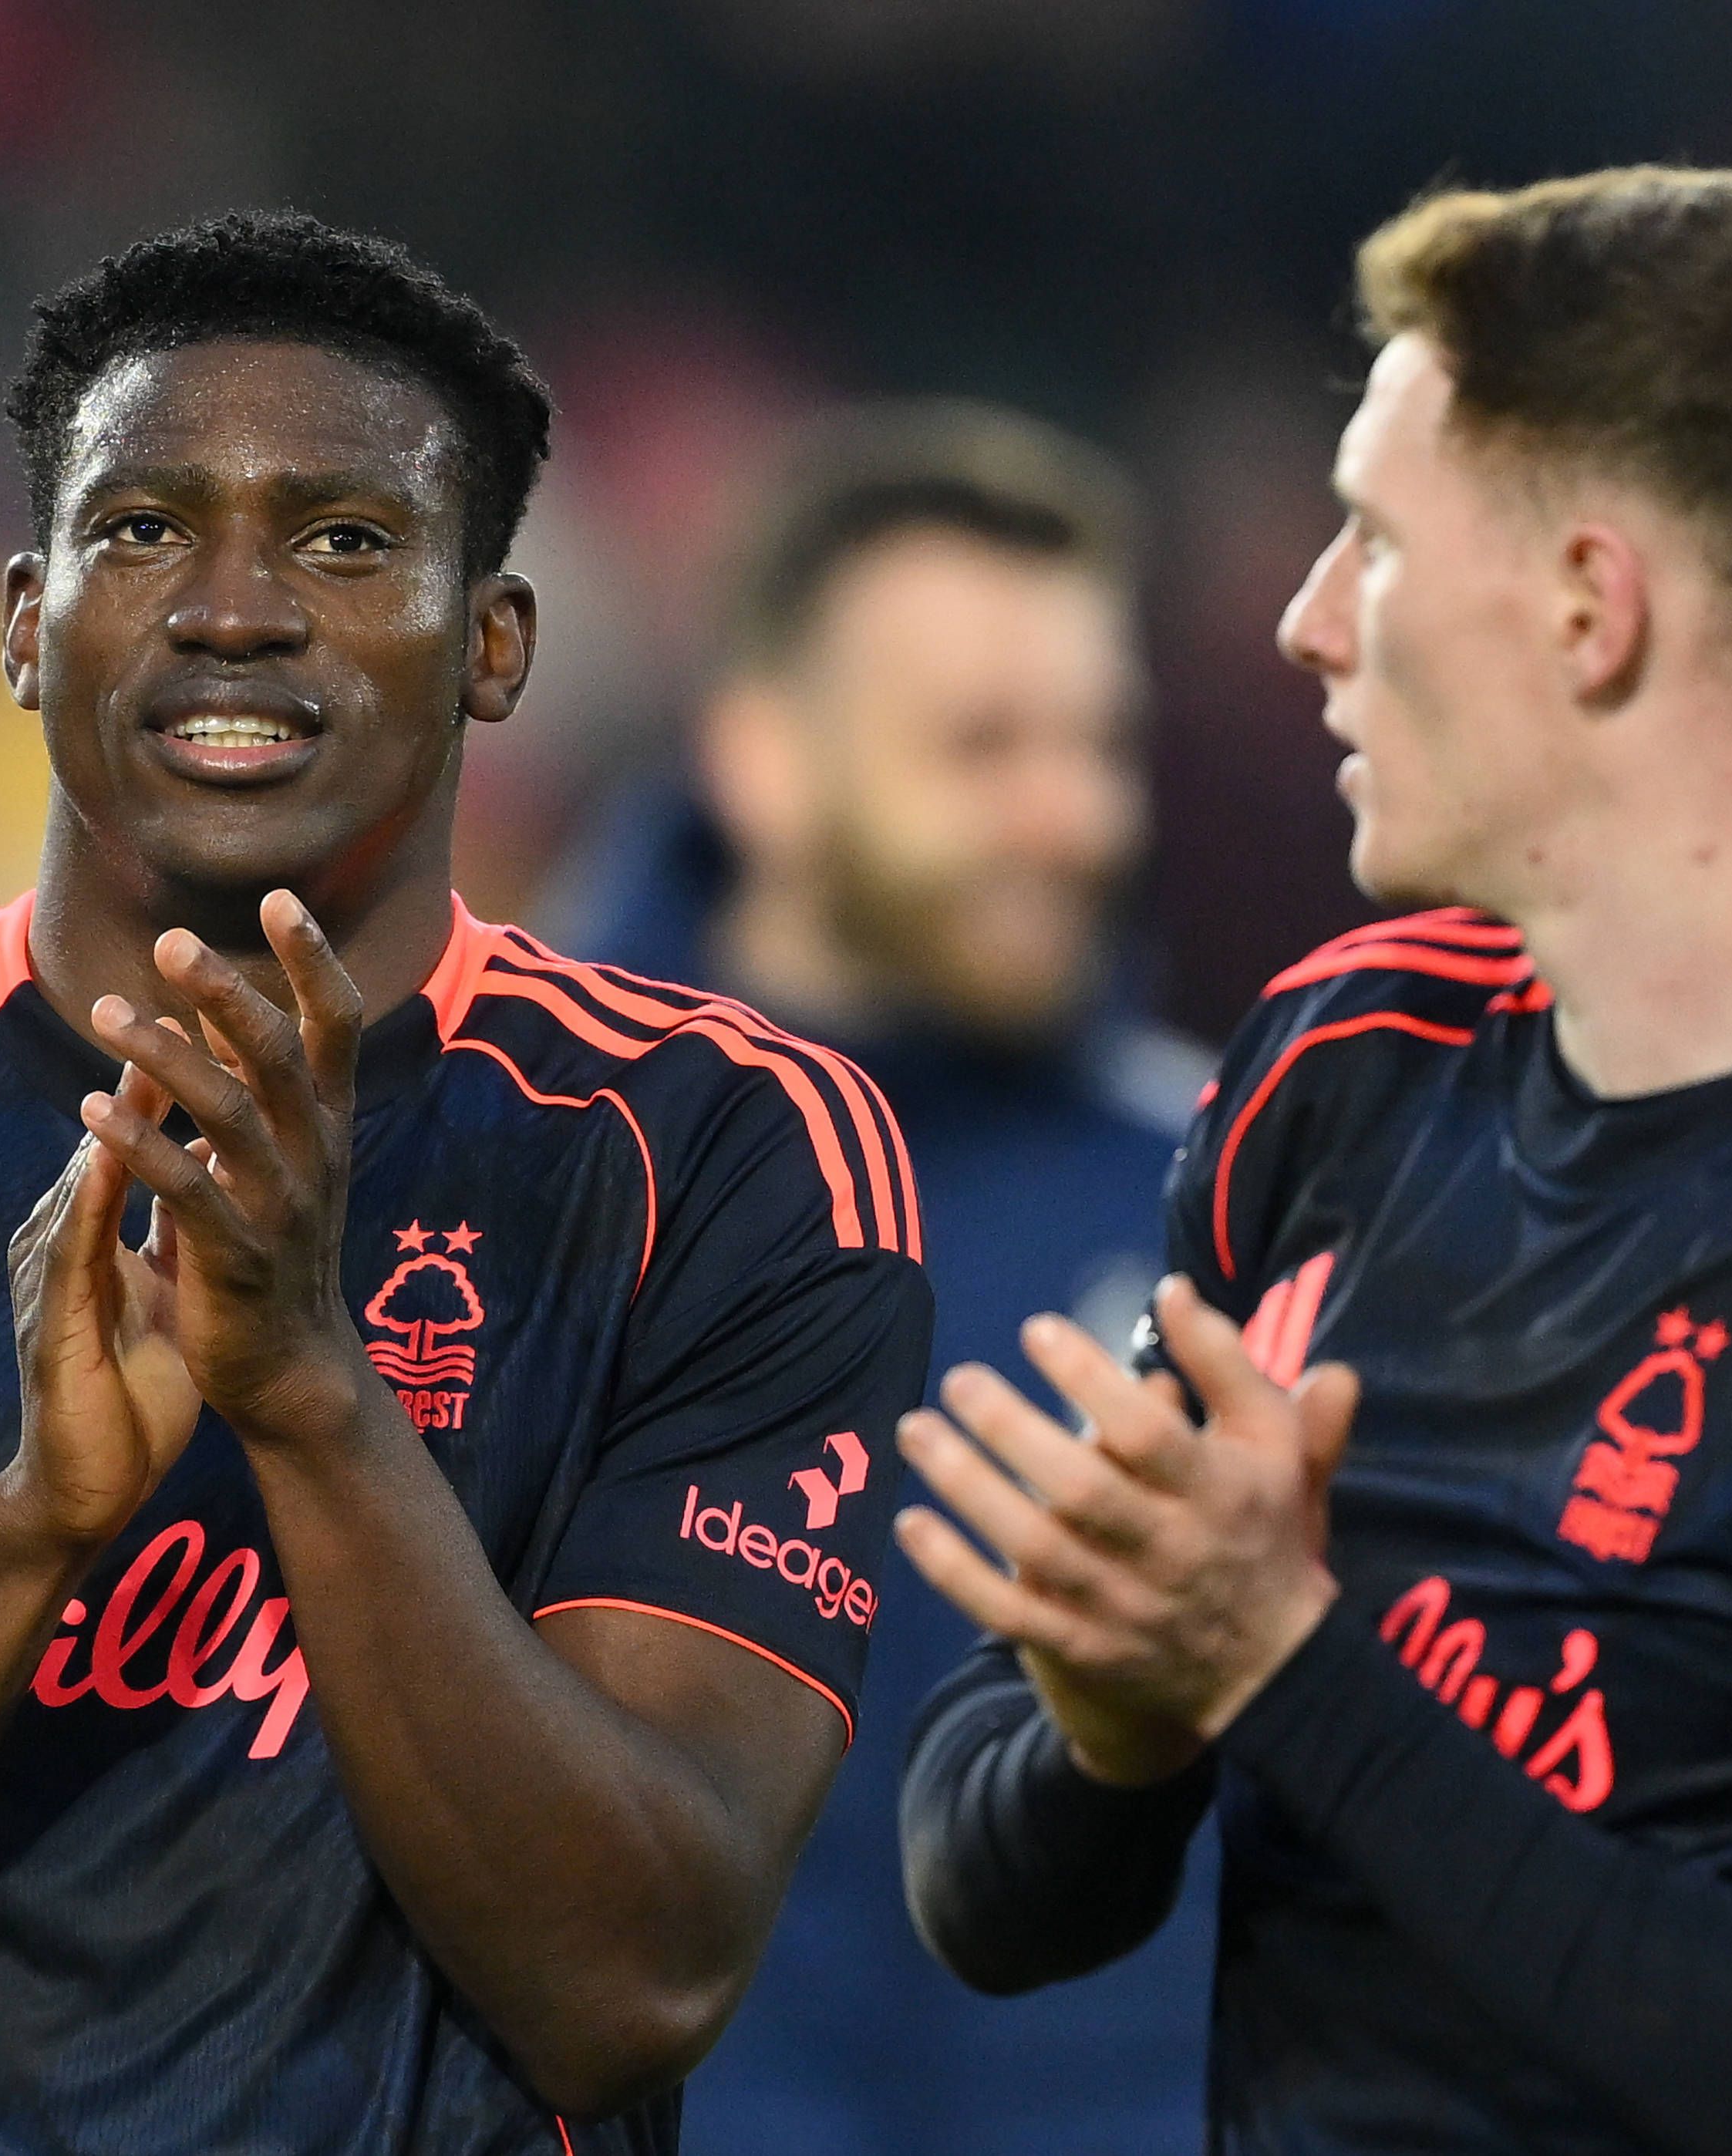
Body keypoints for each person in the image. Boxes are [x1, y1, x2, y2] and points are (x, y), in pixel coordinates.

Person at [0, 211, 932, 2156]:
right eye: (145, 527)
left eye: (344, 540)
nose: (232, 607)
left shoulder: (729, 1153)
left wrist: (310, 1399)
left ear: (493, 644)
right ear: (24, 623)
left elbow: (634, 1985)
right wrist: (25, 1537)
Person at [894, 167, 1732, 2155]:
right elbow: (984, 1886)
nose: (1304, 623)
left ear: (1590, 607)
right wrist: (1115, 1737)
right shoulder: (1345, 1064)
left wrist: (1283, 1669)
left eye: (1371, 537)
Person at [546, 405, 1213, 2154]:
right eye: (985, 746)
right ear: (764, 757)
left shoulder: (1213, 1190)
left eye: (1100, 744)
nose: (1072, 815)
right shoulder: (499, 1177)